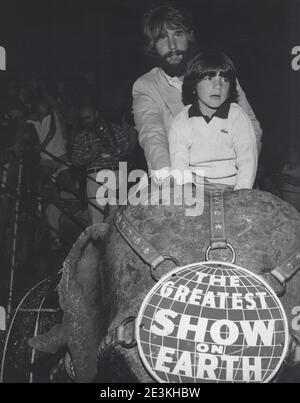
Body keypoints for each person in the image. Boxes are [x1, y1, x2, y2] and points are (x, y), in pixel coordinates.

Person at [132, 4, 262, 185]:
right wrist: (170, 180)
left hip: (233, 182)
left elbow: (252, 127)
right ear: (152, 45)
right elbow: (152, 135)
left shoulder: (217, 72)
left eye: (178, 34)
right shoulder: (145, 86)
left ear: (190, 35)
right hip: (178, 182)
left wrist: (238, 178)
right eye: (162, 38)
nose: (172, 46)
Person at [168, 51, 257, 190]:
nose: (218, 85)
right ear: (194, 84)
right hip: (196, 188)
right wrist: (186, 190)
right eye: (209, 78)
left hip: (232, 187)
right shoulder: (182, 120)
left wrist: (240, 193)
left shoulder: (237, 117)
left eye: (225, 79)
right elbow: (179, 162)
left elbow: (248, 161)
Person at [72, 104, 131, 224]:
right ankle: (96, 241)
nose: (85, 121)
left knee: (117, 216)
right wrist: (91, 154)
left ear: (96, 114)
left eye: (88, 117)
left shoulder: (113, 129)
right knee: (96, 216)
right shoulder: (82, 136)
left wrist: (114, 150)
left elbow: (127, 148)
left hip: (116, 173)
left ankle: (111, 242)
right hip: (95, 175)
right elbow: (75, 160)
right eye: (83, 118)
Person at [281, 146, 300, 211]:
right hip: (285, 204)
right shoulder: (285, 167)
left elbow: (297, 182)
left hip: (297, 207)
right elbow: (281, 182)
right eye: (289, 153)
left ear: (297, 155)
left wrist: (286, 178)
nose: (291, 155)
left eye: (293, 153)